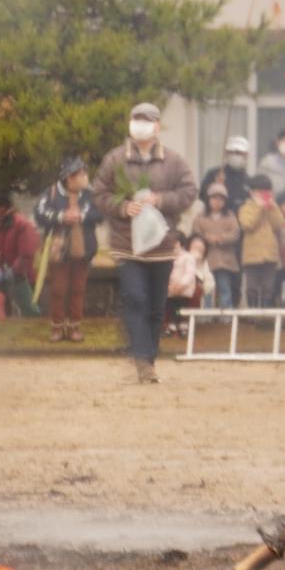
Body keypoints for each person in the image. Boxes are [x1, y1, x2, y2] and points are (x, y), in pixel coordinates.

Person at [93, 101, 196, 384]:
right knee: (135, 299)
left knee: (155, 305)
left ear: (156, 126)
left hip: (162, 246)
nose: (140, 124)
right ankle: (142, 360)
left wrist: (160, 200)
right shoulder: (115, 159)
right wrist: (123, 206)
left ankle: (149, 358)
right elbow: (99, 193)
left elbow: (189, 192)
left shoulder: (174, 161)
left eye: (145, 120)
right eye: (135, 119)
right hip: (127, 246)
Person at [34, 158, 98, 343]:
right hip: (58, 248)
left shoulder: (89, 194)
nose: (84, 177)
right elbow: (39, 213)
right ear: (69, 177)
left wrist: (82, 216)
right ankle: (57, 326)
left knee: (79, 288)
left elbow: (99, 213)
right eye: (80, 174)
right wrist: (61, 216)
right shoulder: (51, 193)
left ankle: (74, 326)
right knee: (58, 289)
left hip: (83, 247)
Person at [0, 193, 42, 320]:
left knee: (28, 307)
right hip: (1, 272)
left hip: (22, 274)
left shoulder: (22, 224)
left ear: (3, 208)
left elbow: (27, 253)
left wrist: (14, 270)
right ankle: (1, 316)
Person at [236, 173, 280, 307]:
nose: (263, 194)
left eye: (266, 191)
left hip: (269, 255)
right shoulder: (245, 208)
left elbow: (279, 224)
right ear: (252, 192)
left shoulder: (272, 207)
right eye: (260, 191)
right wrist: (260, 208)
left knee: (268, 287)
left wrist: (273, 208)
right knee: (252, 287)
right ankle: (252, 313)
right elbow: (247, 224)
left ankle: (265, 314)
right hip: (251, 256)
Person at [195, 183, 240, 307]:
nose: (217, 202)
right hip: (206, 259)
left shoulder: (230, 216)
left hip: (225, 260)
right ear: (208, 200)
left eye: (221, 199)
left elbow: (235, 233)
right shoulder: (200, 217)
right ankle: (206, 316)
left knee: (224, 288)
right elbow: (196, 233)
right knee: (207, 288)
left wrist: (222, 238)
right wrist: (207, 238)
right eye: (214, 198)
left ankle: (227, 317)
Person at [166, 234, 211, 338]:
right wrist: (169, 285)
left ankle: (183, 326)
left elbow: (189, 274)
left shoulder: (188, 257)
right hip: (171, 289)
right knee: (172, 307)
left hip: (184, 290)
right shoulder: (168, 257)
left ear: (182, 245)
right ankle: (172, 325)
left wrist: (181, 285)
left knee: (182, 308)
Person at [200, 134, 251, 208]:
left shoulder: (249, 181)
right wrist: (214, 185)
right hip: (218, 219)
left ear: (246, 155)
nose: (236, 155)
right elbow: (201, 196)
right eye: (232, 152)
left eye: (239, 153)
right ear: (226, 153)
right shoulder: (213, 174)